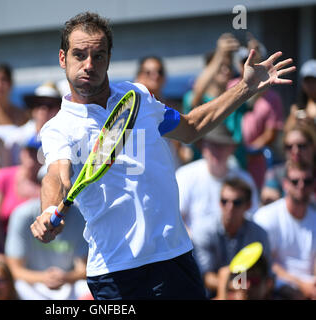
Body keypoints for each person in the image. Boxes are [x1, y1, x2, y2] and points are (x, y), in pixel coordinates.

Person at [30, 12, 295, 300]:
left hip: (173, 257)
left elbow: (191, 127)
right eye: (79, 55)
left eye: (98, 55)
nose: (89, 65)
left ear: (109, 58)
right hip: (115, 272)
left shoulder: (138, 97)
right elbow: (58, 175)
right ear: (62, 58)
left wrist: (245, 88)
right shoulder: (58, 129)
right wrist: (47, 211)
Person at [192, 178, 271, 297]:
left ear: (248, 205)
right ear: (219, 203)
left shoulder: (259, 234)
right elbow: (206, 277)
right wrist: (234, 286)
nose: (229, 207)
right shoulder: (203, 231)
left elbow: (266, 277)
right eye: (224, 201)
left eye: (237, 202)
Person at [176, 123, 259, 235]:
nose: (217, 150)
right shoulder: (185, 175)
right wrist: (194, 244)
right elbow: (175, 217)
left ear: (231, 148)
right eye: (212, 145)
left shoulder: (244, 179)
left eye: (222, 145)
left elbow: (252, 219)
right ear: (203, 147)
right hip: (192, 246)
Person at [254, 161, 316, 300]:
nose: (301, 186)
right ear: (285, 184)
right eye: (295, 181)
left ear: (313, 184)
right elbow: (266, 265)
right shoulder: (266, 217)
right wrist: (301, 285)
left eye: (307, 181)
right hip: (277, 289)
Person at [229, 36, 285, 190]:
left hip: (258, 164)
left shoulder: (272, 97)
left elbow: (271, 133)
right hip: (231, 158)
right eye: (244, 61)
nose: (248, 64)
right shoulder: (230, 86)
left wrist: (248, 151)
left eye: (254, 60)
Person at [7, 198, 89, 300]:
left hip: (67, 285)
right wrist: (43, 278)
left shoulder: (80, 216)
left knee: (85, 288)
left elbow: (83, 269)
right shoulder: (22, 214)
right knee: (18, 286)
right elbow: (14, 269)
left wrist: (64, 278)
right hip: (33, 286)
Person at [135, 55, 192, 169]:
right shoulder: (131, 111)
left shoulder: (173, 110)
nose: (155, 76)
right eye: (148, 72)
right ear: (138, 77)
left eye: (159, 72)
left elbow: (184, 154)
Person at [0, 135, 43, 242]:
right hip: (2, 241)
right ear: (22, 153)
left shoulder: (48, 185)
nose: (32, 156)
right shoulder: (4, 176)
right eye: (29, 151)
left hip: (36, 245)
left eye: (38, 153)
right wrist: (2, 247)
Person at [261, 120, 316, 205]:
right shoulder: (276, 174)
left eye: (301, 146)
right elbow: (268, 202)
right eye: (289, 147)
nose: (295, 151)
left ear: (312, 146)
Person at [288, 59, 316, 125]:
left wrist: (312, 122)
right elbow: (287, 130)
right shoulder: (297, 107)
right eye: (307, 81)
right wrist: (294, 118)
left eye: (314, 81)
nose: (310, 85)